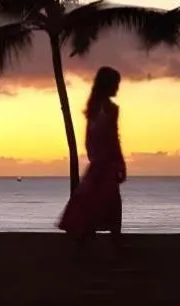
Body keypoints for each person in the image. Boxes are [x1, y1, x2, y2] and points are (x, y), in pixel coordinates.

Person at [57, 66, 126, 254]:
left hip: (98, 162)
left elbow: (89, 139)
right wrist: (119, 163)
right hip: (106, 162)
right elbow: (113, 138)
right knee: (109, 202)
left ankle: (88, 240)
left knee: (91, 200)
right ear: (108, 85)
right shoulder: (109, 109)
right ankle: (112, 242)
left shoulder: (93, 109)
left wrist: (94, 157)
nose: (117, 88)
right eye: (116, 84)